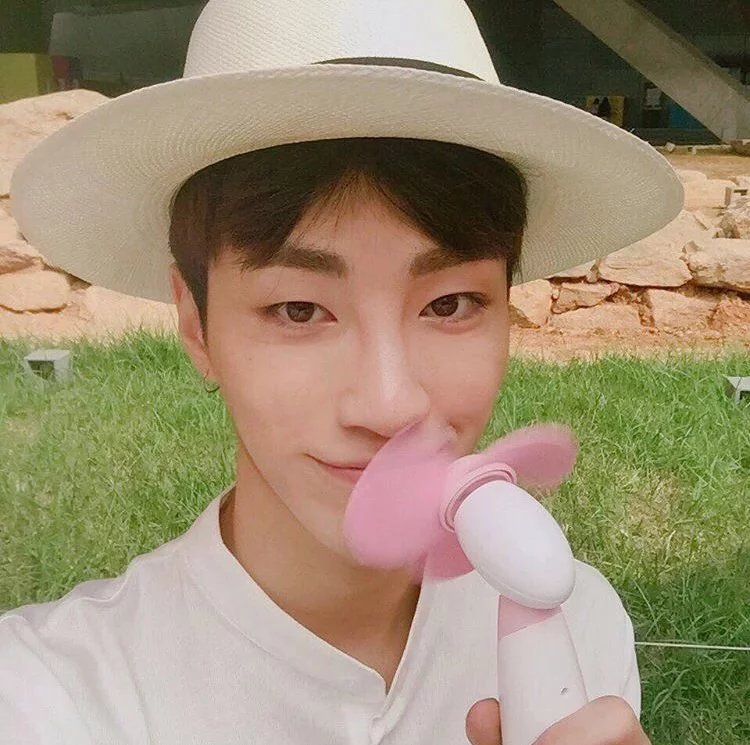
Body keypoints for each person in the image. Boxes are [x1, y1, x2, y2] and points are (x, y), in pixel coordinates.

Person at [2, 0, 684, 743]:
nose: (390, 405)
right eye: (298, 310)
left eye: (450, 303)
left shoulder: (575, 626)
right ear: (196, 324)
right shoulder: (52, 695)